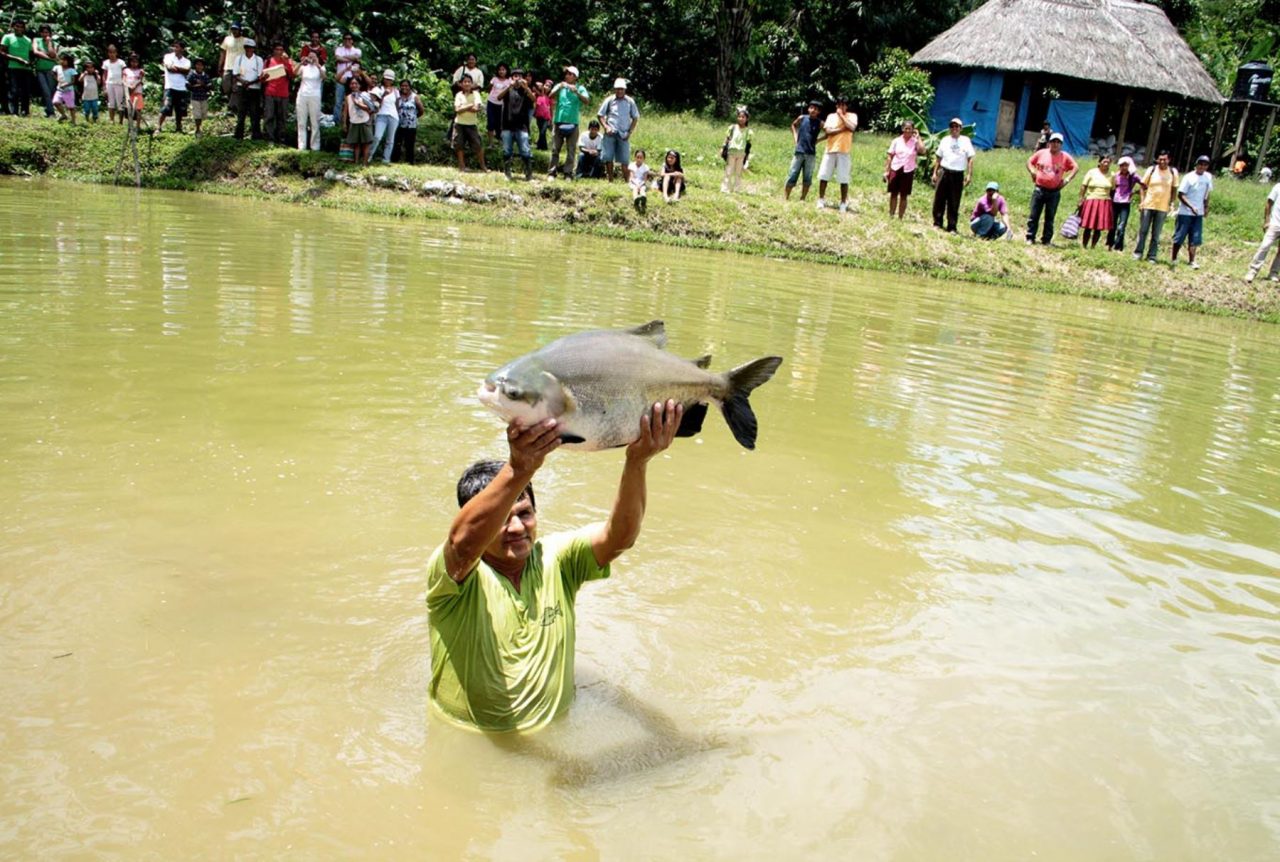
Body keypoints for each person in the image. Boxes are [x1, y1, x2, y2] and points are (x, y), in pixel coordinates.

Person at [425, 404, 683, 732]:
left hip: (557, 731)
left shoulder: (557, 559)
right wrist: (520, 468)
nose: (517, 527)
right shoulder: (453, 577)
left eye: (525, 513)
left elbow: (619, 537)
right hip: (464, 737)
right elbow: (463, 544)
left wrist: (638, 461)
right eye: (502, 519)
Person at [1024, 132, 1077, 244]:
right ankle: (1030, 237)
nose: (1055, 144)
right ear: (1049, 143)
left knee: (1050, 217)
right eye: (1053, 141)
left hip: (1054, 192)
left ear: (1061, 144)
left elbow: (1075, 167)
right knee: (1034, 215)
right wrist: (1032, 171)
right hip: (1039, 189)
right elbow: (1029, 161)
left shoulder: (1065, 156)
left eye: (1058, 142)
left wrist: (1067, 180)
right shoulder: (1042, 153)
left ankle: (1046, 239)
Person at [1131, 151, 1178, 263]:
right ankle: (1138, 253)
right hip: (1148, 205)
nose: (1162, 161)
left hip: (1162, 207)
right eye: (1160, 159)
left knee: (1156, 234)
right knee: (1143, 231)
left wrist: (1172, 203)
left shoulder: (1173, 172)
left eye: (1164, 159)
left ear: (1169, 160)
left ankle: (1152, 256)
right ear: (1157, 160)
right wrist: (1142, 202)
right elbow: (1142, 186)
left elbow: (1174, 189)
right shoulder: (1151, 170)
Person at [815, 95, 857, 212]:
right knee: (824, 175)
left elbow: (852, 127)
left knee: (843, 178)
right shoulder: (831, 116)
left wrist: (842, 116)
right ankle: (821, 199)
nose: (841, 107)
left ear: (846, 106)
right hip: (830, 149)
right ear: (836, 105)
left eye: (843, 105)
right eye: (839, 105)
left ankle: (843, 203)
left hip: (844, 150)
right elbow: (828, 131)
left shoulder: (852, 116)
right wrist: (842, 129)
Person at [931, 117, 974, 230]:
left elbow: (970, 159)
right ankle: (937, 223)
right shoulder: (945, 140)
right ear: (950, 128)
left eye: (957, 126)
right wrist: (935, 172)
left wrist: (969, 174)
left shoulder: (965, 141)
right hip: (944, 172)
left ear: (960, 128)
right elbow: (938, 157)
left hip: (958, 174)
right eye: (952, 126)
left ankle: (952, 226)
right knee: (939, 199)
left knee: (954, 201)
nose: (954, 128)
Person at [548, 65, 590, 179]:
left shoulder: (580, 88)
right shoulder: (560, 85)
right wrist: (558, 87)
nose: (567, 76)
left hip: (573, 123)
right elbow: (550, 96)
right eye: (566, 74)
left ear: (575, 77)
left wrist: (576, 92)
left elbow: (586, 101)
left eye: (570, 74)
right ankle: (552, 172)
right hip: (558, 121)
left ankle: (568, 173)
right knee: (555, 149)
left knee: (571, 150)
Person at [1171, 155, 1213, 268]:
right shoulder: (1189, 177)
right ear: (1196, 164)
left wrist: (1206, 207)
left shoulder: (1208, 177)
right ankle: (1174, 258)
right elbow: (1181, 194)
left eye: (1205, 165)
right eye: (1200, 164)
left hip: (1198, 212)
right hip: (1185, 212)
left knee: (1195, 237)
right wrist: (1191, 207)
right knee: (1180, 236)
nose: (1202, 167)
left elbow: (1207, 193)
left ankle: (1192, 261)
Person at [496, 68, 536, 180]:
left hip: (522, 126)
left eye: (519, 76)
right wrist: (509, 86)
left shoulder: (525, 91)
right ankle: (507, 173)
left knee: (525, 151)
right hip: (507, 125)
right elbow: (498, 97)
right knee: (507, 151)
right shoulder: (508, 90)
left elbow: (533, 99)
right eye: (515, 76)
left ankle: (529, 174)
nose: (517, 78)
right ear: (511, 78)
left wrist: (526, 87)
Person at [599, 78, 640, 182]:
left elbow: (635, 117)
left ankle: (627, 181)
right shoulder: (609, 100)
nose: (619, 91)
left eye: (621, 89)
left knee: (624, 159)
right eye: (617, 89)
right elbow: (600, 115)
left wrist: (629, 132)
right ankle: (610, 180)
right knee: (608, 157)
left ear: (625, 90)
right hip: (610, 133)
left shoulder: (630, 101)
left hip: (624, 134)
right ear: (614, 89)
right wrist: (606, 127)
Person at [884, 119, 926, 218]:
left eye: (910, 129)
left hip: (908, 170)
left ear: (913, 130)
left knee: (904, 195)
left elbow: (923, 151)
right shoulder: (896, 141)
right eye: (906, 129)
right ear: (903, 129)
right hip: (896, 168)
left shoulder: (915, 142)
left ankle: (900, 217)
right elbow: (890, 156)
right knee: (893, 193)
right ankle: (891, 214)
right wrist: (887, 171)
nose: (907, 131)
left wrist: (918, 137)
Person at [1244, 177, 1280, 283]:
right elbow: (1269, 203)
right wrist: (1267, 220)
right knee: (1264, 246)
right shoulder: (1278, 187)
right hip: (1275, 223)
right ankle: (1252, 271)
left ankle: (1274, 273)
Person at [784, 100, 821, 201]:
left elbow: (828, 133)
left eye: (816, 109)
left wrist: (818, 141)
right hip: (799, 151)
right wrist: (796, 139)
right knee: (792, 173)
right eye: (812, 108)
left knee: (807, 177)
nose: (813, 110)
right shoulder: (802, 118)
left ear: (818, 112)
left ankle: (802, 198)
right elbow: (793, 125)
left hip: (811, 154)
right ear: (808, 109)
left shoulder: (820, 123)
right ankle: (786, 197)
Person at [1077, 155, 1114, 249]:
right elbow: (1083, 186)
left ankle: (1093, 247)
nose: (1106, 164)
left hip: (1104, 202)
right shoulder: (1092, 172)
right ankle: (1084, 246)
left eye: (1108, 162)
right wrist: (1081, 198)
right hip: (1091, 200)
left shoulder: (1112, 175)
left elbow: (1113, 189)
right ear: (1099, 163)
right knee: (1088, 226)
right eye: (1104, 161)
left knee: (1098, 227)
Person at [260, 43, 294, 145]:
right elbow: (261, 79)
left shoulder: (287, 62)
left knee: (282, 117)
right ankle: (270, 138)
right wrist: (264, 77)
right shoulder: (268, 61)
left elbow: (292, 75)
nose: (279, 51)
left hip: (283, 93)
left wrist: (286, 63)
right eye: (277, 49)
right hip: (270, 92)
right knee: (269, 116)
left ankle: (281, 139)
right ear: (274, 50)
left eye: (281, 49)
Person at [232, 38, 264, 140]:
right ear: (245, 48)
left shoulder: (258, 60)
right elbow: (235, 74)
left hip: (254, 88)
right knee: (241, 112)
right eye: (247, 47)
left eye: (251, 48)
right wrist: (243, 82)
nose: (249, 50)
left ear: (254, 49)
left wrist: (250, 83)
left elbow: (260, 76)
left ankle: (256, 136)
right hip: (242, 87)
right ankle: (238, 135)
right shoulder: (239, 58)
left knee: (255, 113)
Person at [452, 75, 486, 171]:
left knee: (478, 145)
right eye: (465, 82)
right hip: (459, 123)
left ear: (472, 84)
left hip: (472, 124)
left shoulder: (476, 94)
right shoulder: (459, 95)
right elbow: (457, 109)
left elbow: (476, 109)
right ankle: (461, 166)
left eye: (469, 82)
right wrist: (470, 105)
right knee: (459, 145)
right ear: (461, 84)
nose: (467, 83)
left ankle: (483, 166)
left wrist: (464, 106)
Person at [156, 40, 191, 133]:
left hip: (181, 87)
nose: (175, 49)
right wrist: (181, 70)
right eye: (174, 46)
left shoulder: (186, 61)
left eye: (177, 47)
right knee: (165, 107)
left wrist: (177, 68)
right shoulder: (168, 57)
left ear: (182, 49)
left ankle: (178, 128)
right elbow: (169, 68)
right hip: (170, 86)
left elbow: (187, 71)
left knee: (180, 110)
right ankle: (158, 127)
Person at [1, 19, 34, 117]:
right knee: (14, 90)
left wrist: (30, 62)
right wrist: (16, 59)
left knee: (26, 91)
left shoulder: (28, 40)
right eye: (17, 26)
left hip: (26, 68)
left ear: (24, 28)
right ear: (13, 27)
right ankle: (14, 111)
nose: (19, 28)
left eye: (21, 27)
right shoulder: (7, 37)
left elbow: (31, 54)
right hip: (12, 67)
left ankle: (25, 111)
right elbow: (2, 52)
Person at [342, 74, 375, 165]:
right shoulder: (348, 97)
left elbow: (371, 108)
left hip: (365, 121)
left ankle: (365, 163)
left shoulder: (364, 95)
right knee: (356, 144)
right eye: (352, 84)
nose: (354, 85)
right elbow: (345, 112)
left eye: (356, 83)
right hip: (354, 122)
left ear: (359, 85)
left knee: (366, 144)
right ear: (349, 85)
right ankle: (356, 162)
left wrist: (358, 104)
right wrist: (344, 123)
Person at [368, 70, 400, 165]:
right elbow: (374, 103)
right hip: (381, 115)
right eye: (386, 79)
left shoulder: (395, 91)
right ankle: (369, 155)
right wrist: (384, 95)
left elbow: (397, 104)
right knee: (377, 136)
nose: (388, 81)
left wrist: (397, 115)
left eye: (390, 79)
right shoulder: (378, 89)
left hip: (393, 116)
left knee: (390, 140)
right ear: (383, 78)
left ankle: (386, 159)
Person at [1106, 156, 1138, 251]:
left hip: (1125, 203)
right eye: (1122, 165)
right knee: (1112, 225)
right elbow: (1111, 188)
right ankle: (1110, 244)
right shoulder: (1116, 176)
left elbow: (1144, 184)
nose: (1124, 167)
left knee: (1121, 226)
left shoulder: (1133, 176)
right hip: (1115, 202)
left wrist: (1134, 192)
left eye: (1126, 165)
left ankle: (1118, 246)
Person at [295, 51, 324, 150]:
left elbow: (324, 77)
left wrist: (318, 65)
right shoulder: (304, 67)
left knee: (315, 122)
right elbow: (294, 73)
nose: (311, 58)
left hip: (315, 96)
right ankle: (301, 146)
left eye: (313, 56)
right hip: (302, 95)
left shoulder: (321, 67)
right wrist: (300, 63)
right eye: (309, 56)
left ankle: (315, 146)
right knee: (301, 122)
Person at [332, 33, 361, 126]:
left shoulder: (357, 50)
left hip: (352, 79)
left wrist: (343, 58)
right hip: (341, 77)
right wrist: (351, 59)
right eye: (345, 39)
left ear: (352, 40)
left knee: (352, 101)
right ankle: (336, 123)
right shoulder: (339, 49)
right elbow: (337, 58)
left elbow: (356, 57)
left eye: (349, 39)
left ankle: (351, 122)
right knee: (338, 101)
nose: (347, 41)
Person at [721, 107, 752, 193]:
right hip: (731, 152)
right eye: (739, 117)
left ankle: (737, 189)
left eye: (743, 117)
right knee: (729, 171)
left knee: (738, 172)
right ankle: (725, 188)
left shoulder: (748, 131)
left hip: (741, 154)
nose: (741, 119)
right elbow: (727, 139)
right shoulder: (732, 128)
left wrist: (747, 157)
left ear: (747, 118)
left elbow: (748, 145)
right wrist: (723, 148)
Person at [218, 23, 246, 113]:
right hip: (228, 66)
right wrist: (220, 65)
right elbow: (223, 53)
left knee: (236, 88)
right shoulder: (227, 39)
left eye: (236, 29)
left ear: (240, 30)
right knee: (226, 86)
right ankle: (233, 104)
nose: (234, 31)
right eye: (233, 29)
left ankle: (233, 108)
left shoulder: (245, 40)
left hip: (239, 67)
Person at [395, 79, 424, 163]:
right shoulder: (398, 96)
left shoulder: (414, 97)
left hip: (411, 125)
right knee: (397, 143)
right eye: (402, 86)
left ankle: (410, 161)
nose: (404, 87)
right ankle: (395, 160)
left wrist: (414, 117)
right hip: (399, 124)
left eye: (406, 86)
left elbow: (421, 110)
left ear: (410, 87)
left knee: (409, 145)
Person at [31, 24, 56, 118]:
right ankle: (51, 112)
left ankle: (49, 109)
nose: (45, 34)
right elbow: (36, 52)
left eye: (47, 32)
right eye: (43, 32)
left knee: (51, 91)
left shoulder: (53, 42)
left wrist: (49, 43)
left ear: (50, 33)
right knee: (45, 91)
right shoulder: (36, 40)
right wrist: (49, 58)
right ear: (40, 33)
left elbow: (53, 55)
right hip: (40, 69)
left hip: (51, 70)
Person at [485, 63, 512, 140]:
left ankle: (499, 140)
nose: (501, 71)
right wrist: (490, 86)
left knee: (499, 123)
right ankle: (490, 143)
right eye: (500, 69)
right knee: (490, 122)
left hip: (501, 105)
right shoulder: (494, 79)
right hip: (491, 102)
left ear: (506, 71)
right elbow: (488, 89)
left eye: (503, 70)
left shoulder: (509, 81)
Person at [101, 43, 125, 123]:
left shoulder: (121, 62)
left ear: (116, 53)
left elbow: (124, 73)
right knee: (111, 103)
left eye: (113, 52)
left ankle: (120, 121)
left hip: (119, 84)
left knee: (120, 103)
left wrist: (124, 82)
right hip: (109, 84)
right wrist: (104, 86)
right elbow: (104, 75)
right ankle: (111, 120)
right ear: (108, 53)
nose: (112, 54)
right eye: (110, 52)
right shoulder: (106, 63)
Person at [52, 53, 76, 123]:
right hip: (59, 89)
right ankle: (63, 114)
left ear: (68, 61)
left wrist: (66, 84)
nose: (63, 61)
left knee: (71, 107)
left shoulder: (71, 70)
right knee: (55, 102)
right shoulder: (57, 67)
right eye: (62, 60)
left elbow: (73, 81)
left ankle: (73, 121)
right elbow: (53, 73)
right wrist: (57, 80)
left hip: (69, 90)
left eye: (65, 60)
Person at [122, 53, 145, 120]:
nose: (134, 63)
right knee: (129, 109)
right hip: (128, 93)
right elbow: (123, 80)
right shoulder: (126, 70)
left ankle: (138, 127)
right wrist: (128, 86)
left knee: (138, 109)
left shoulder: (140, 71)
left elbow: (140, 80)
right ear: (129, 62)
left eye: (136, 62)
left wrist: (134, 86)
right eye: (132, 61)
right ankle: (130, 126)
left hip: (137, 92)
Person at [628, 148, 651, 213]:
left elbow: (645, 179)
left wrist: (640, 185)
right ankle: (636, 199)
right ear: (635, 157)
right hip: (633, 182)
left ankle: (643, 197)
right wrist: (636, 185)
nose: (639, 159)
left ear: (644, 158)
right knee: (635, 189)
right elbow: (632, 177)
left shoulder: (645, 167)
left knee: (642, 189)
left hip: (642, 182)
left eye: (641, 157)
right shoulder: (632, 165)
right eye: (637, 157)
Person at [534, 79, 552, 150]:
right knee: (541, 132)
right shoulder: (538, 94)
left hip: (546, 118)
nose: (547, 87)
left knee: (542, 132)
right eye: (546, 85)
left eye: (549, 86)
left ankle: (541, 146)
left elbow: (551, 109)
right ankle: (542, 147)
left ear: (550, 89)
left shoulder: (550, 97)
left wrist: (551, 119)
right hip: (538, 117)